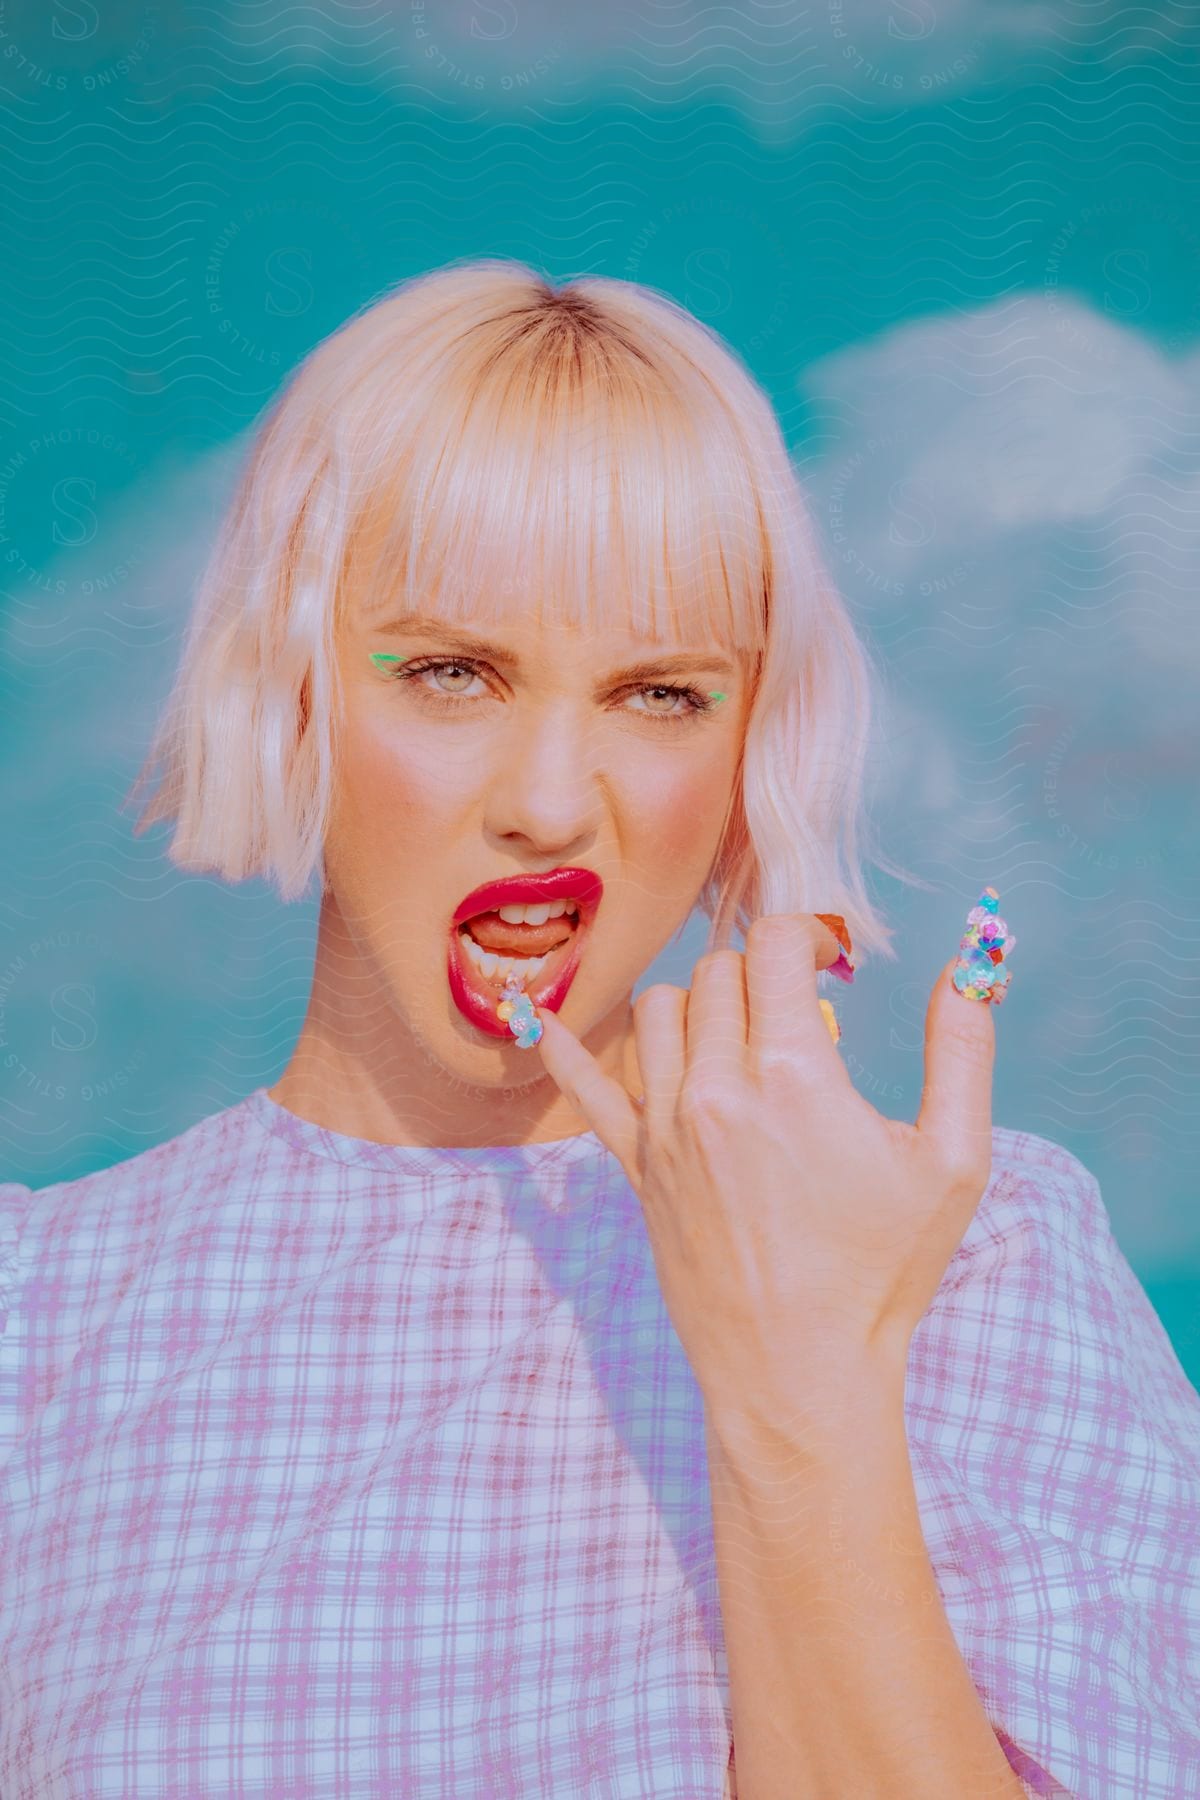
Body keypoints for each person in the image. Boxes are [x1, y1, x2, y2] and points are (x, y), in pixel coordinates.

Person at [1, 259, 1197, 1798]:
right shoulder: (35, 1327)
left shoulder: (976, 1257)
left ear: (752, 736)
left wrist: (802, 1371)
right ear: (293, 687)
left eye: (659, 694)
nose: (554, 801)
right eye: (451, 671)